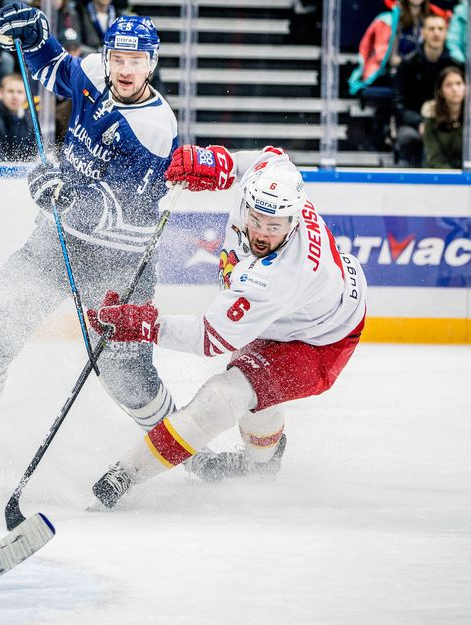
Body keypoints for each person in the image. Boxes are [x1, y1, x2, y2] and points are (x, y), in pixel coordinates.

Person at [0, 7, 179, 478]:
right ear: (107, 55)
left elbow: (133, 220)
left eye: (136, 61)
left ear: (152, 63)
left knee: (127, 379)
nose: (125, 69)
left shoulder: (155, 128)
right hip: (55, 244)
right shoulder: (96, 72)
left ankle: (186, 444)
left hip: (119, 264)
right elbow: (54, 71)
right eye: (118, 58)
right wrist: (34, 36)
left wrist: (67, 196)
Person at [87, 146, 367, 507]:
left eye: (274, 227)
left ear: (293, 222)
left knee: (223, 399)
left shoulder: (280, 275)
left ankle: (123, 475)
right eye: (256, 221)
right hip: (300, 310)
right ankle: (265, 461)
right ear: (248, 202)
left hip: (321, 341)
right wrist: (216, 162)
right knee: (257, 394)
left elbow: (209, 337)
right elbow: (268, 155)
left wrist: (142, 324)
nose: (262, 234)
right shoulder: (271, 177)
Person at [392, 13, 461, 166]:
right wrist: (420, 122)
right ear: (423, 32)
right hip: (414, 124)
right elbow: (398, 104)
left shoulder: (454, 65)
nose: (436, 33)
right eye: (431, 29)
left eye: (440, 29)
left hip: (447, 124)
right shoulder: (407, 65)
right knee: (407, 139)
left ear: (446, 32)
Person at [423, 66, 471, 167]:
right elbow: (434, 158)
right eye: (448, 85)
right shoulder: (431, 119)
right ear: (440, 92)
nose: (455, 89)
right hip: (441, 177)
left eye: (459, 83)